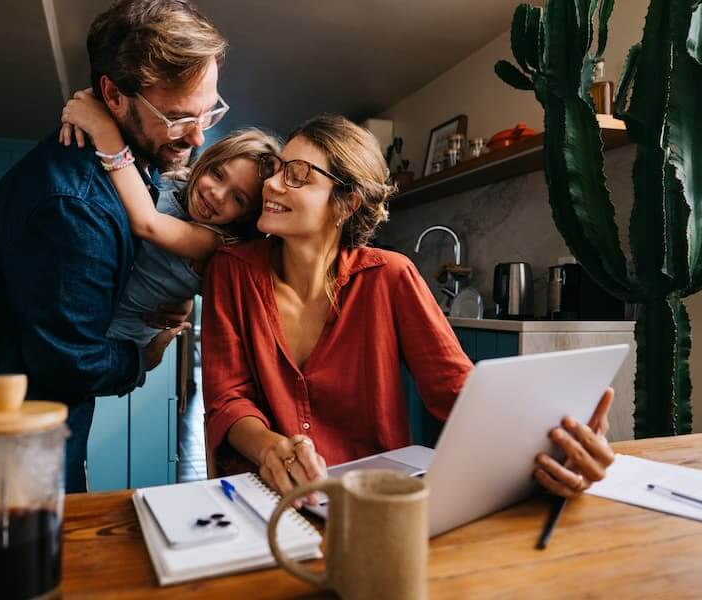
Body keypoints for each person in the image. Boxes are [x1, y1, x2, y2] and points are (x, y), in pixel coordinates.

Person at [0, 0, 227, 493]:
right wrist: (146, 357)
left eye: (210, 110)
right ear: (113, 95)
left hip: (26, 411)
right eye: (178, 118)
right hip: (14, 438)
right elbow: (70, 362)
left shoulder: (126, 154)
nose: (199, 136)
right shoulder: (73, 205)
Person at [202, 114, 616, 505]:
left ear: (347, 202)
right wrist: (272, 448)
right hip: (260, 494)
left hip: (374, 500)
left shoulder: (390, 277)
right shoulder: (231, 270)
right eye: (276, 169)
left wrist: (560, 443)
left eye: (296, 175)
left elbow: (460, 392)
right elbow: (228, 400)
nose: (272, 185)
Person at [58, 90, 281, 345]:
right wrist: (98, 100)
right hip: (97, 303)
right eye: (218, 175)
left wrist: (103, 129)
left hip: (120, 334)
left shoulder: (215, 240)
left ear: (245, 217)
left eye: (238, 199)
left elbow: (147, 223)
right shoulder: (178, 181)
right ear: (207, 163)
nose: (217, 194)